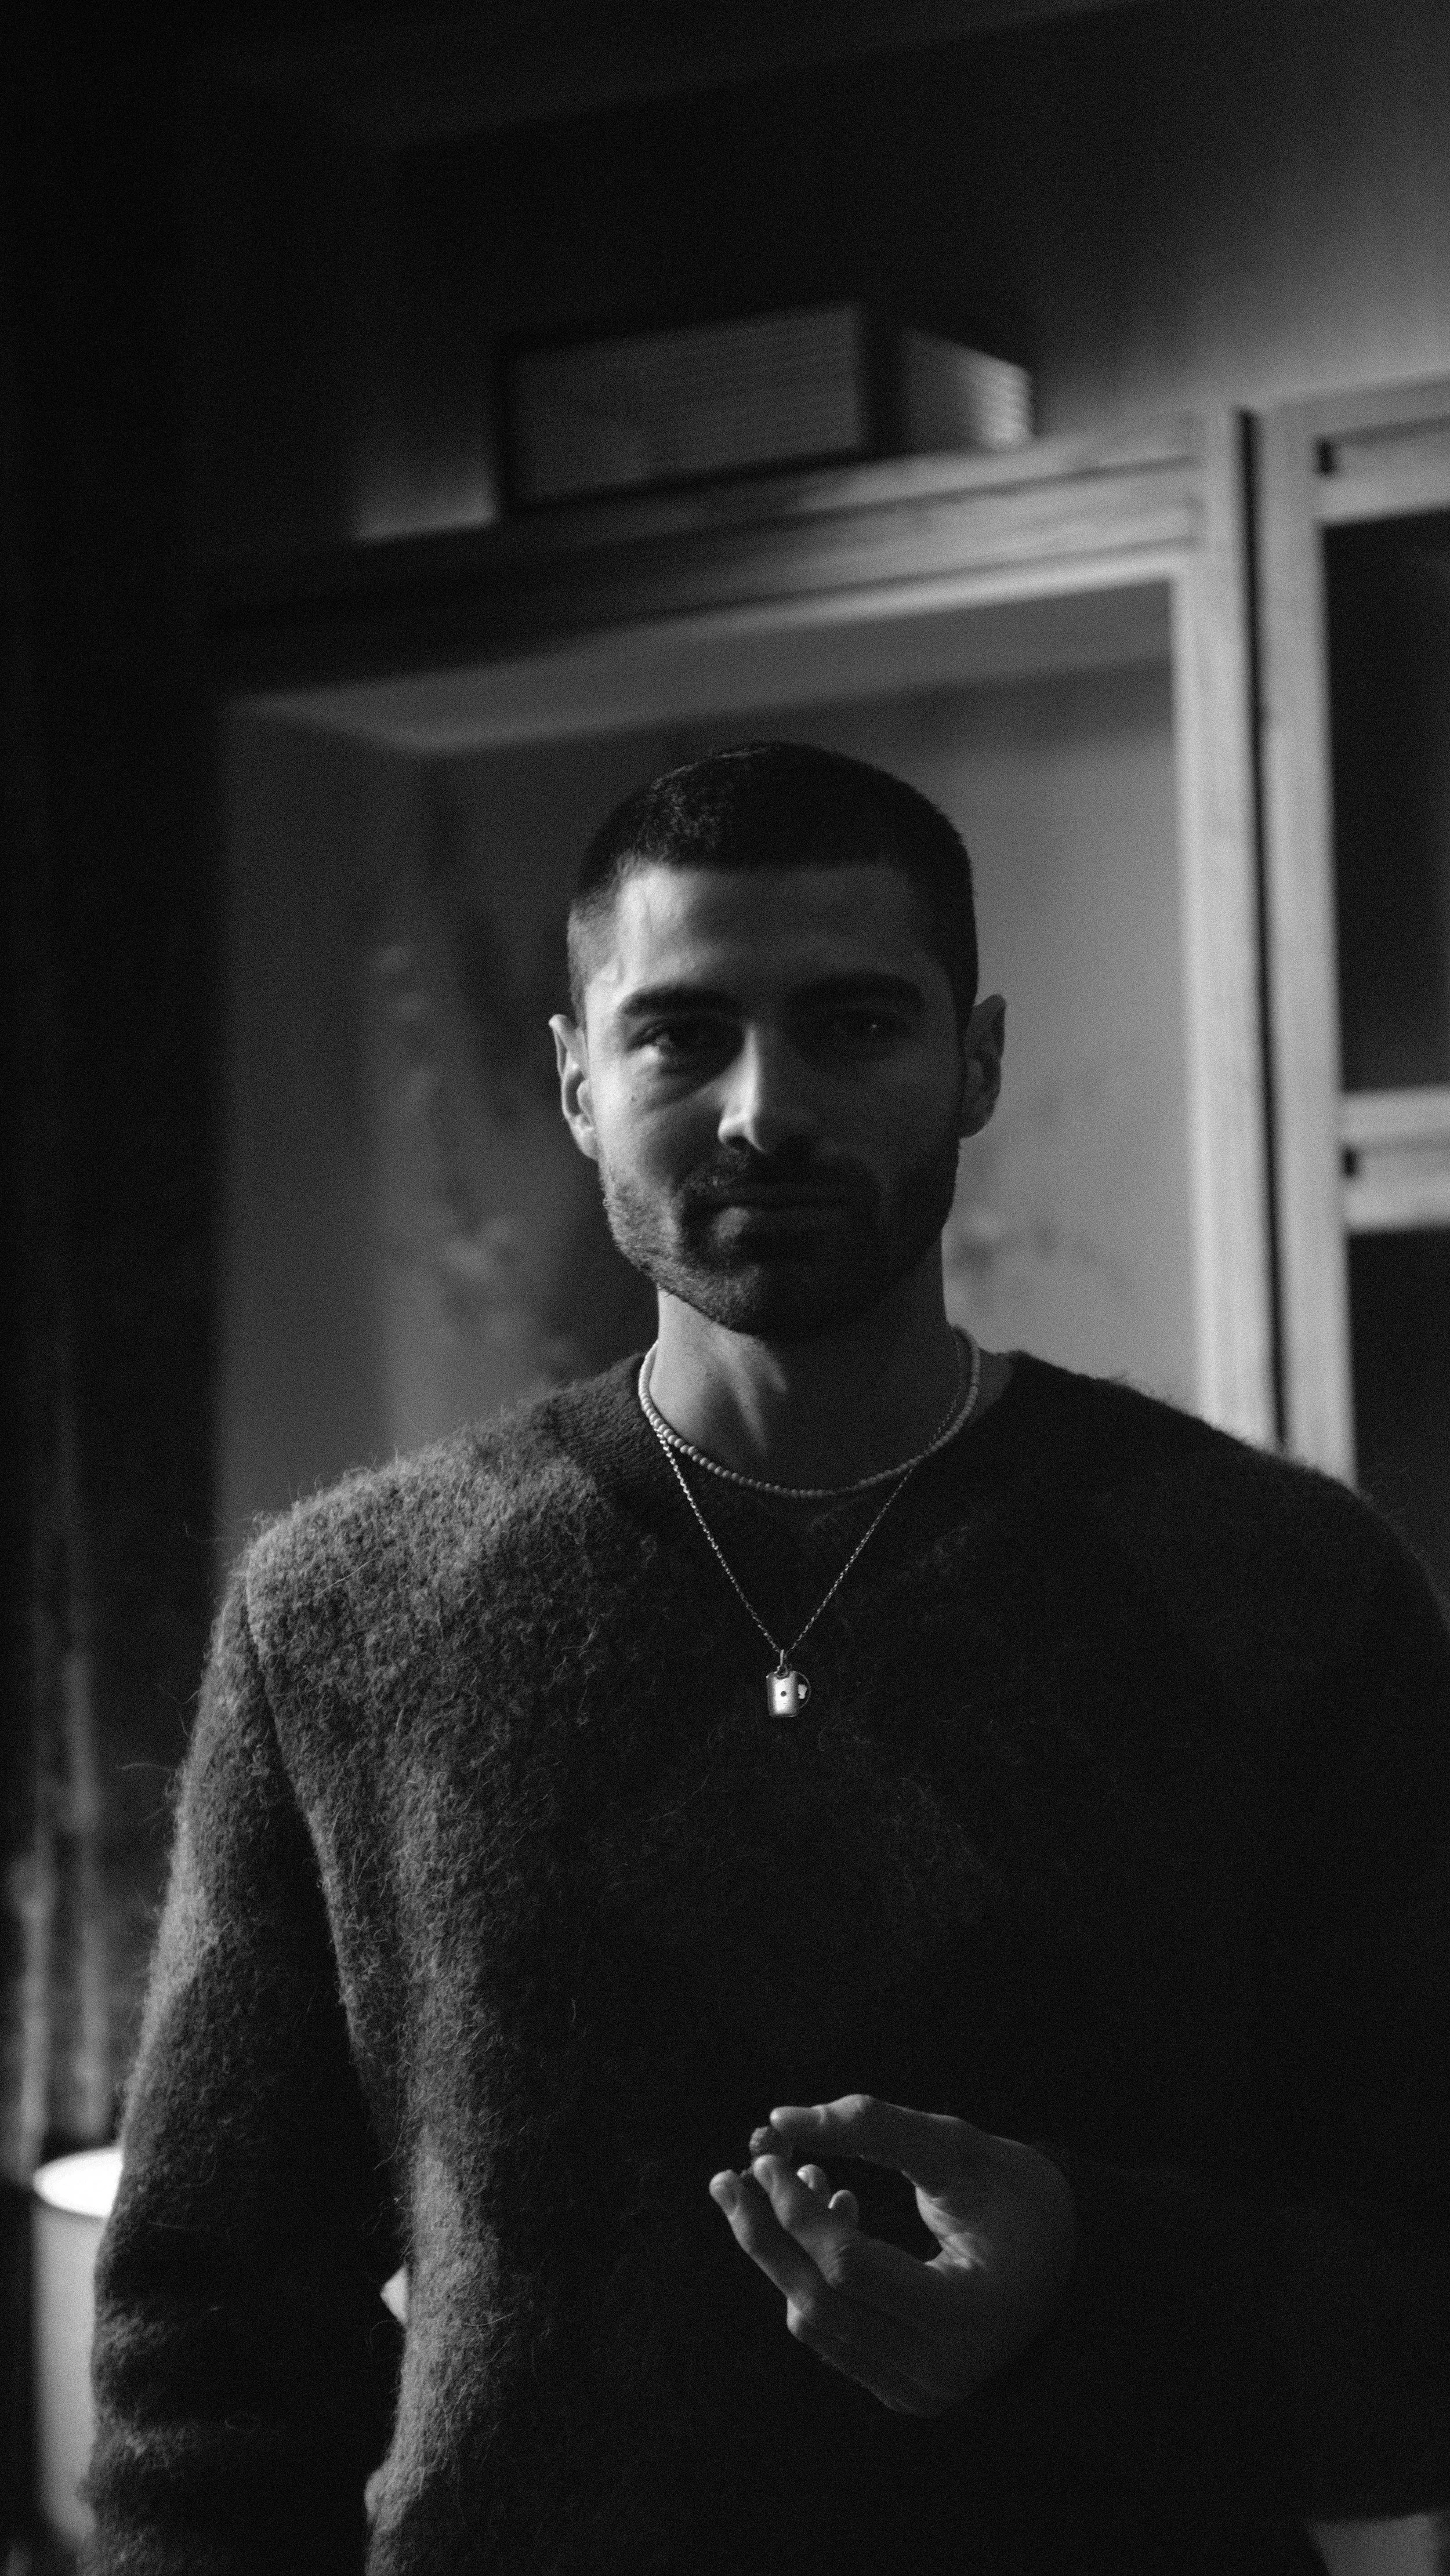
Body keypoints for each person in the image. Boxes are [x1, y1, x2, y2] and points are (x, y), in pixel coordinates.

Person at [86, 742, 1450, 2576]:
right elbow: (209, 2364)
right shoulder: (346, 1613)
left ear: (972, 1060)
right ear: (576, 1083)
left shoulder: (1279, 1588)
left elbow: (1417, 2303)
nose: (761, 1108)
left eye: (850, 1025)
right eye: (677, 1035)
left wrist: (1085, 2280)